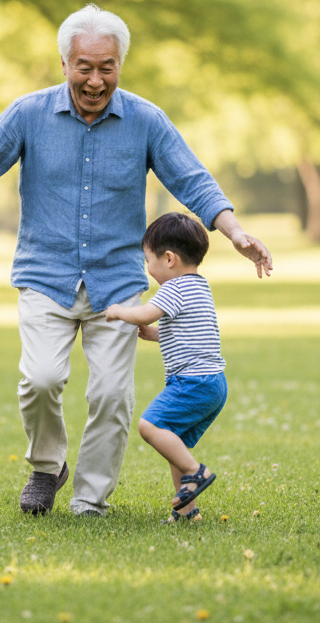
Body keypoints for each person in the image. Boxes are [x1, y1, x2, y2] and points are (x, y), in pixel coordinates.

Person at [0, 4, 271, 517]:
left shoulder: (146, 120)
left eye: (107, 67)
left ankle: (90, 499)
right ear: (66, 63)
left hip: (117, 283)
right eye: (84, 67)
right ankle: (47, 467)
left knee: (113, 396)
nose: (95, 80)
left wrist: (234, 230)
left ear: (120, 64)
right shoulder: (28, 114)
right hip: (44, 276)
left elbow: (192, 179)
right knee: (42, 380)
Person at [104, 213, 226, 523]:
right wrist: (156, 335)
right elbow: (189, 332)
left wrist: (120, 311)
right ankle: (187, 512)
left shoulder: (174, 288)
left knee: (150, 426)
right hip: (212, 383)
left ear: (169, 259)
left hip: (192, 382)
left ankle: (196, 471)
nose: (148, 269)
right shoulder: (200, 287)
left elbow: (145, 314)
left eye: (148, 260)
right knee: (176, 443)